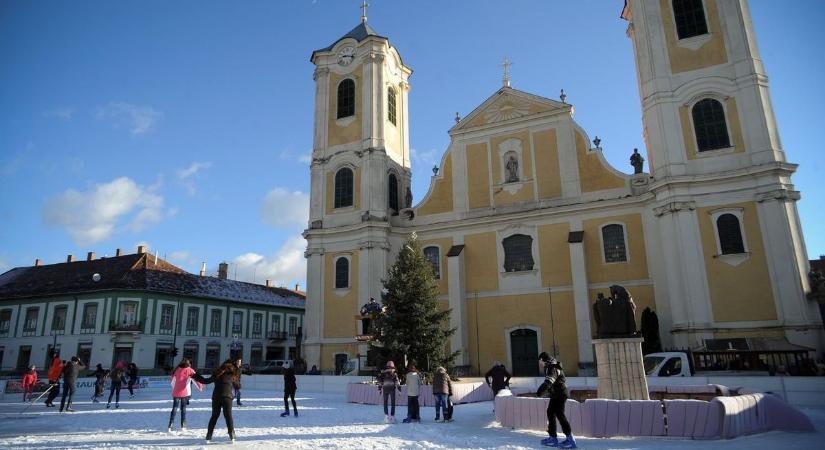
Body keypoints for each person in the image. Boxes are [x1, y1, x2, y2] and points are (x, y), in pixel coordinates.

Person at [193, 359, 241, 444]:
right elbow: (238, 386)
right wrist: (237, 379)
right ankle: (232, 435)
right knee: (228, 416)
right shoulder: (232, 374)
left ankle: (209, 435)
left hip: (216, 397)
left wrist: (195, 375)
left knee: (214, 416)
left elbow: (205, 381)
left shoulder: (217, 374)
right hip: (227, 397)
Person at [537, 352, 575, 448]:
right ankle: (553, 437)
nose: (540, 364)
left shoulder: (553, 367)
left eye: (540, 361)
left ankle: (570, 439)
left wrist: (540, 391)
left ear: (544, 360)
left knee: (560, 414)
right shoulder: (550, 366)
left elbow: (549, 381)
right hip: (556, 394)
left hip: (560, 394)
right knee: (550, 412)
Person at [169, 358, 202, 432]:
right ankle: (183, 425)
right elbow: (196, 379)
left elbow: (172, 380)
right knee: (183, 409)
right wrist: (200, 387)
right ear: (188, 363)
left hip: (176, 392)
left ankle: (170, 424)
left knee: (174, 408)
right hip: (185, 392)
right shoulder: (190, 370)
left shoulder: (177, 369)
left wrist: (174, 388)